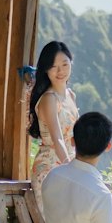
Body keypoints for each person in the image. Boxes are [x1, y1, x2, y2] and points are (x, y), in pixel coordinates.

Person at [28, 40, 78, 212]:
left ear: (71, 63)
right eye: (54, 66)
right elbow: (57, 139)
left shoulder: (71, 95)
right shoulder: (49, 99)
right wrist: (72, 170)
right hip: (50, 168)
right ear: (45, 69)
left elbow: (74, 139)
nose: (60, 71)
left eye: (64, 64)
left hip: (69, 163)